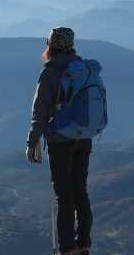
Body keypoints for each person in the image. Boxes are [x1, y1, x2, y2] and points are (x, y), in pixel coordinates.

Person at [27, 26, 93, 255]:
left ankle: (67, 248)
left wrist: (32, 141)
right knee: (80, 192)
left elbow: (40, 111)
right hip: (84, 137)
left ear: (50, 45)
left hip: (60, 140)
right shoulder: (83, 68)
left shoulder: (50, 71)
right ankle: (83, 242)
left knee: (64, 197)